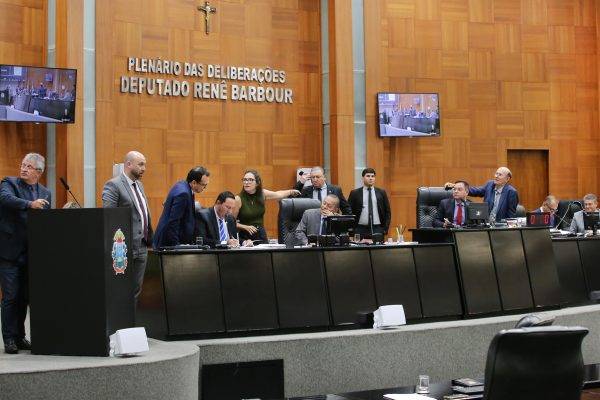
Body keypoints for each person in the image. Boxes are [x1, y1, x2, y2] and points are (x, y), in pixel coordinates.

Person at [0, 153, 51, 354]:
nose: (23, 168)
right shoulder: (9, 183)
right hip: (9, 252)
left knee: (24, 297)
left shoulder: (45, 192)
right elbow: (5, 200)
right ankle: (9, 339)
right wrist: (30, 204)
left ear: (39, 172)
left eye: (29, 166)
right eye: (23, 165)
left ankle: (20, 336)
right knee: (11, 296)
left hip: (32, 253)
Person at [102, 151, 152, 301]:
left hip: (142, 246)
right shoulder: (113, 185)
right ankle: (119, 317)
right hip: (123, 248)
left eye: (145, 165)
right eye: (141, 164)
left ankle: (132, 317)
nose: (144, 168)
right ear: (128, 164)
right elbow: (108, 216)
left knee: (136, 290)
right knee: (120, 290)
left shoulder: (140, 185)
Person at [234, 169, 300, 244]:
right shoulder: (238, 199)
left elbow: (278, 194)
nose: (246, 182)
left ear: (257, 183)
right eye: (245, 180)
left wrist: (291, 191)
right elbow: (231, 223)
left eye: (250, 180)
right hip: (245, 237)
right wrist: (245, 227)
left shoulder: (262, 194)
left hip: (260, 234)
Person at [153, 166, 210, 248]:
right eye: (203, 185)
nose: (205, 188)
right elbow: (173, 221)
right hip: (169, 243)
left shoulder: (183, 185)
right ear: (194, 182)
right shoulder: (183, 194)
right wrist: (176, 246)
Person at [447, 167, 518, 222]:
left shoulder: (511, 192)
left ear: (507, 179)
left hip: (500, 226)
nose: (496, 176)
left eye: (500, 175)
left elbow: (511, 215)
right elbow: (476, 191)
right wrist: (457, 187)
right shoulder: (490, 185)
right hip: (486, 224)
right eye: (496, 173)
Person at [347, 168, 391, 237]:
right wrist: (351, 229)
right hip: (359, 228)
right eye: (368, 176)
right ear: (363, 178)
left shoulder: (381, 192)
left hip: (377, 228)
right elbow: (349, 211)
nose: (371, 178)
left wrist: (385, 228)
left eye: (372, 176)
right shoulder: (355, 193)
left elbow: (387, 212)